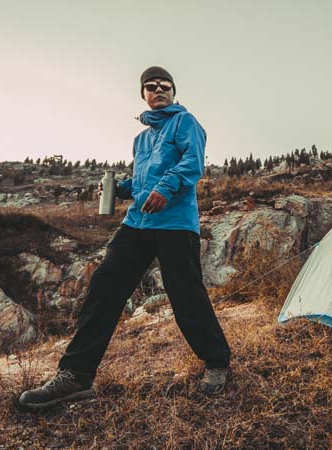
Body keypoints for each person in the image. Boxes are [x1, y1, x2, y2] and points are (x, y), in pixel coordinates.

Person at [19, 66, 231, 409]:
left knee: (185, 294)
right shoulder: (142, 139)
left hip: (175, 223)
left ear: (173, 92)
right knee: (104, 287)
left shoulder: (185, 122)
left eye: (165, 86)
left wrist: (167, 187)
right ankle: (76, 375)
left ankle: (217, 361)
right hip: (138, 222)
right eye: (151, 86)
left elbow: (193, 164)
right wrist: (120, 188)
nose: (158, 90)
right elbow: (143, 181)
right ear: (143, 94)